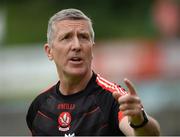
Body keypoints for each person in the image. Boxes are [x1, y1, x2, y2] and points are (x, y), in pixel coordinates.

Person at [26, 8, 160, 136]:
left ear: (92, 49)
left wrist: (139, 120)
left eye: (83, 37)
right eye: (66, 37)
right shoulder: (39, 107)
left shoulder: (113, 98)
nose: (77, 46)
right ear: (49, 51)